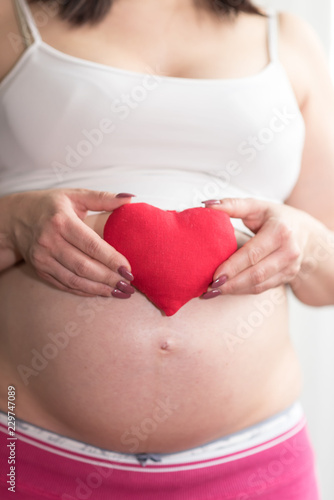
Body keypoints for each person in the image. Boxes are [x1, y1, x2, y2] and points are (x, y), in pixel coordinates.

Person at [0, 0, 333, 497]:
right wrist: (12, 225)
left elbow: (327, 278)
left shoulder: (288, 41)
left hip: (255, 468)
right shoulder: (13, 20)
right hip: (30, 459)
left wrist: (305, 245)